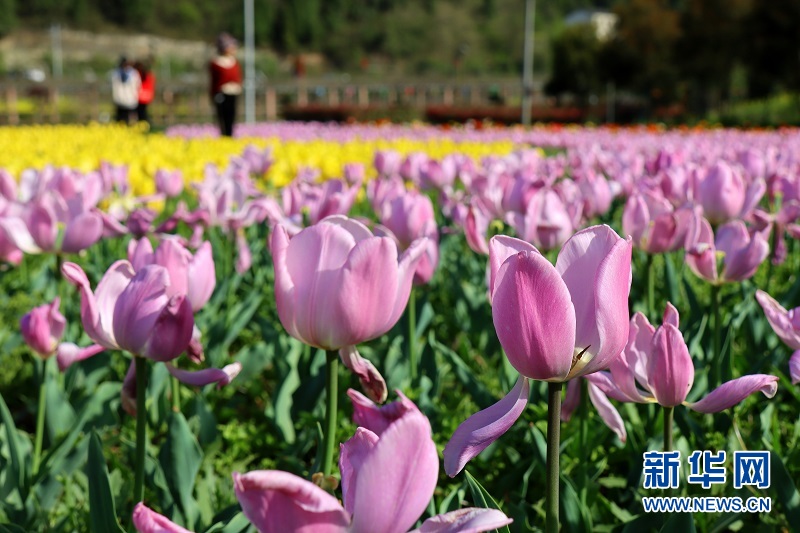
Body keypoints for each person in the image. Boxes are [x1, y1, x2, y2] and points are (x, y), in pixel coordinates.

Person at [209, 33, 242, 137]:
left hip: (233, 92)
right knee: (222, 116)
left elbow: (238, 77)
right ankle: (224, 135)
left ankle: (230, 135)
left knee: (231, 116)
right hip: (222, 93)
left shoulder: (235, 62)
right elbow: (214, 81)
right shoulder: (216, 63)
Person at [111, 56, 141, 125]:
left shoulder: (133, 73)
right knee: (120, 118)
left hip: (130, 99)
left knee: (130, 119)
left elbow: (137, 85)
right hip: (120, 100)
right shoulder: (116, 73)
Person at [135, 59, 156, 124]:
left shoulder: (139, 75)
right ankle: (144, 123)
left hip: (141, 96)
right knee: (143, 111)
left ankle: (144, 123)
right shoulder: (150, 75)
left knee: (141, 112)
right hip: (147, 96)